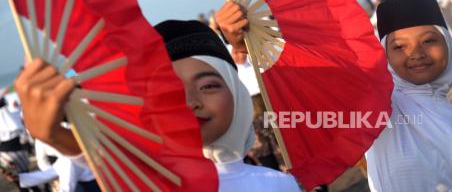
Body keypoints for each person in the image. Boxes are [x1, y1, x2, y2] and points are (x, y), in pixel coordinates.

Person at [14, 20, 300, 191]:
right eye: (170, 90)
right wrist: (55, 137)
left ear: (236, 95)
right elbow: (100, 165)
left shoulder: (279, 184)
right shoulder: (145, 183)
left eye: (208, 85)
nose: (189, 102)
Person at [366, 0, 452, 191]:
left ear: (447, 42)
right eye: (400, 46)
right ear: (384, 54)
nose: (416, 54)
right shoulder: (380, 104)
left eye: (429, 41)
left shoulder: (451, 114)